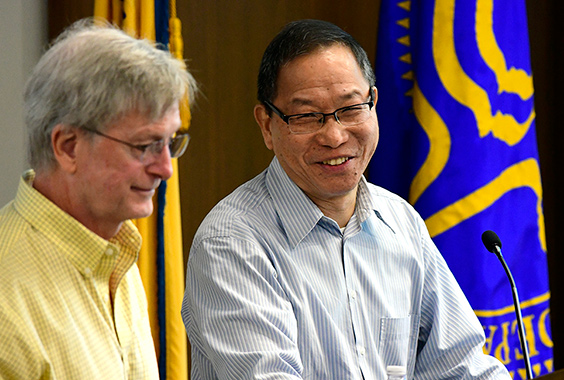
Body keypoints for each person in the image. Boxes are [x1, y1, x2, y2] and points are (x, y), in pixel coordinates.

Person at [182, 19, 511, 379]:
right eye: (307, 116)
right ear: (266, 126)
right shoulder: (231, 243)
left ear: (374, 103)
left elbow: (462, 366)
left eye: (351, 109)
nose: (335, 136)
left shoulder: (400, 221)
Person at [0, 20, 196, 379]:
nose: (166, 169)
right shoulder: (0, 300)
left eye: (170, 143)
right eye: (145, 146)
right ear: (68, 147)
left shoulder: (116, 248)